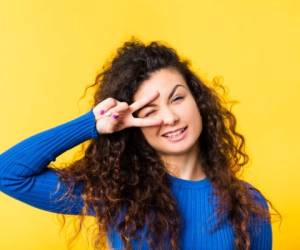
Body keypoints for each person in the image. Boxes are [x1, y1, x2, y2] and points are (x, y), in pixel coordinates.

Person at [0, 38, 280, 250]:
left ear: (199, 102)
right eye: (149, 112)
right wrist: (92, 124)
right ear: (133, 125)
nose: (170, 117)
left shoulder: (247, 203)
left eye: (177, 98)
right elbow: (9, 174)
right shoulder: (118, 194)